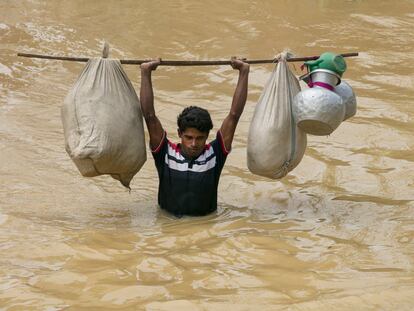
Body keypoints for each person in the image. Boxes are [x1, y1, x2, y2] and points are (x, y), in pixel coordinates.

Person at [140, 57, 249, 217]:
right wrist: (145, 72)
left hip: (205, 226)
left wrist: (244, 72)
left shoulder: (215, 155)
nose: (193, 143)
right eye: (188, 137)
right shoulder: (165, 153)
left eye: (200, 138)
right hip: (169, 227)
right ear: (179, 134)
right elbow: (149, 116)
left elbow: (234, 115)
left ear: (206, 137)